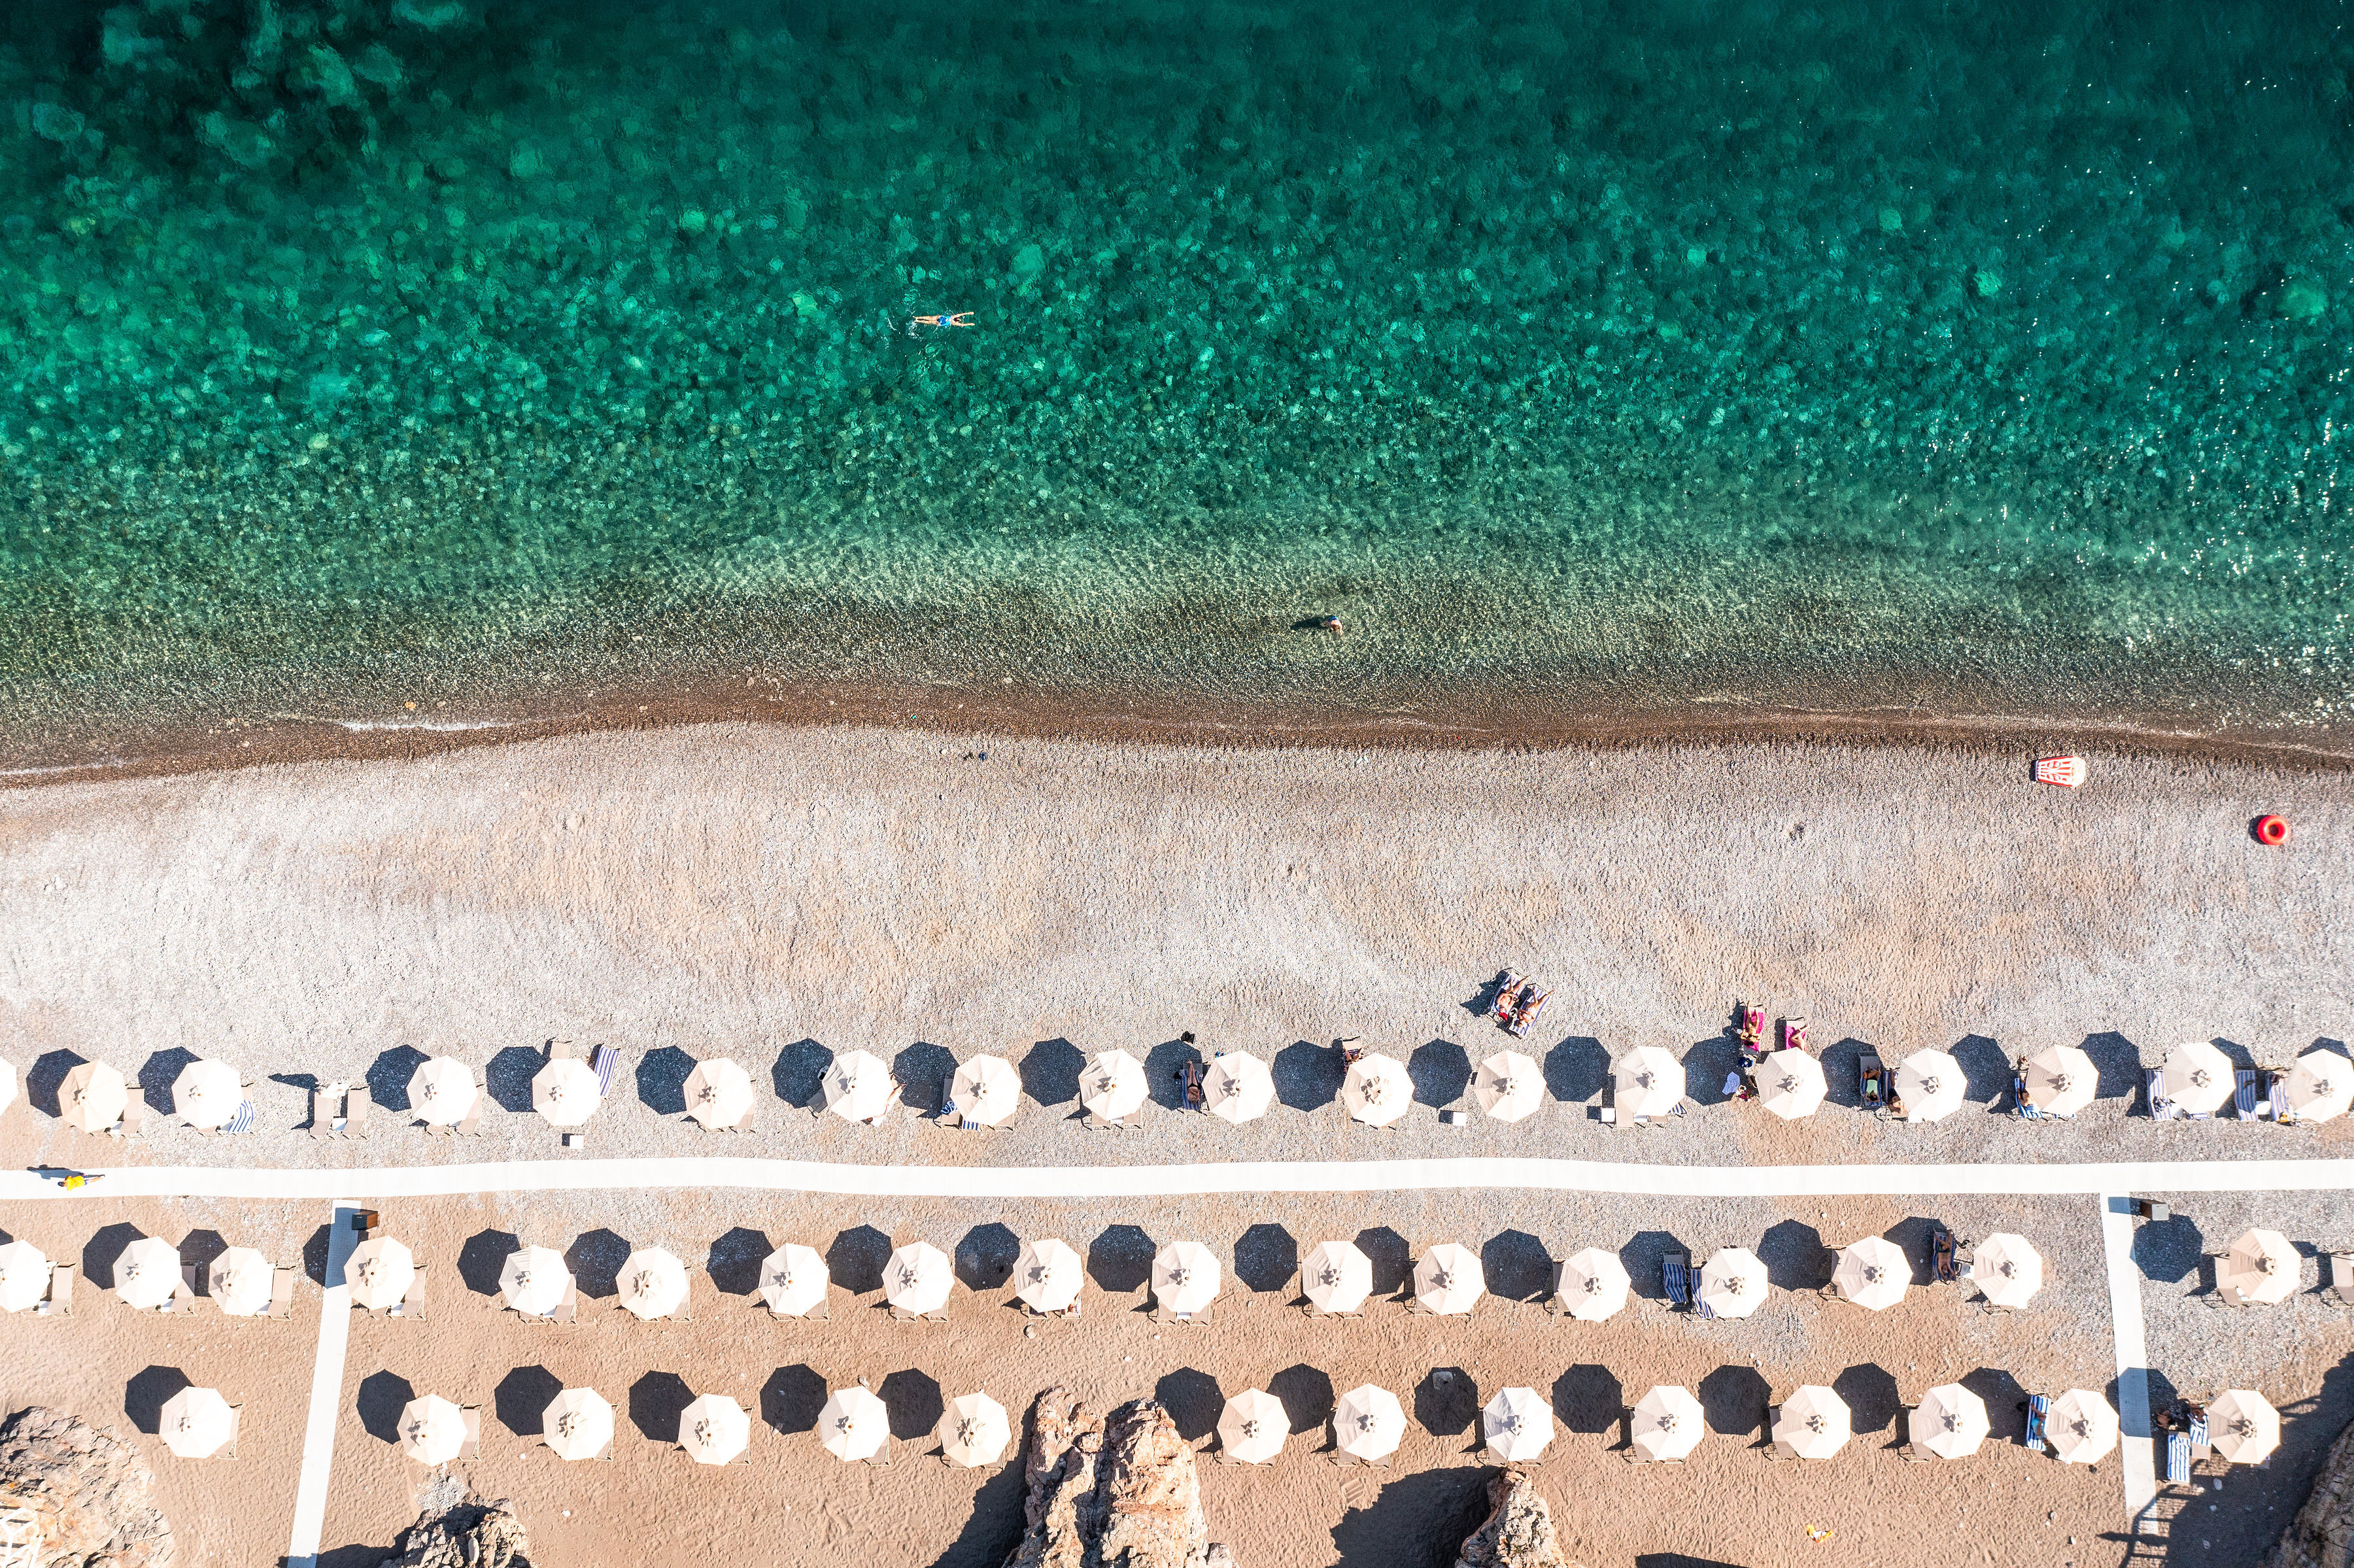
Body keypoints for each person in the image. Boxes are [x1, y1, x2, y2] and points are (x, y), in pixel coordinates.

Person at [908, 311, 975, 335]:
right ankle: (917, 321)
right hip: (941, 323)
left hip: (941, 318)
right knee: (929, 322)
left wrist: (969, 313)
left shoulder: (953, 317)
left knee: (929, 318)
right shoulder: (954, 323)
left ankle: (917, 317)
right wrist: (970, 324)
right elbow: (963, 325)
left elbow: (962, 314)